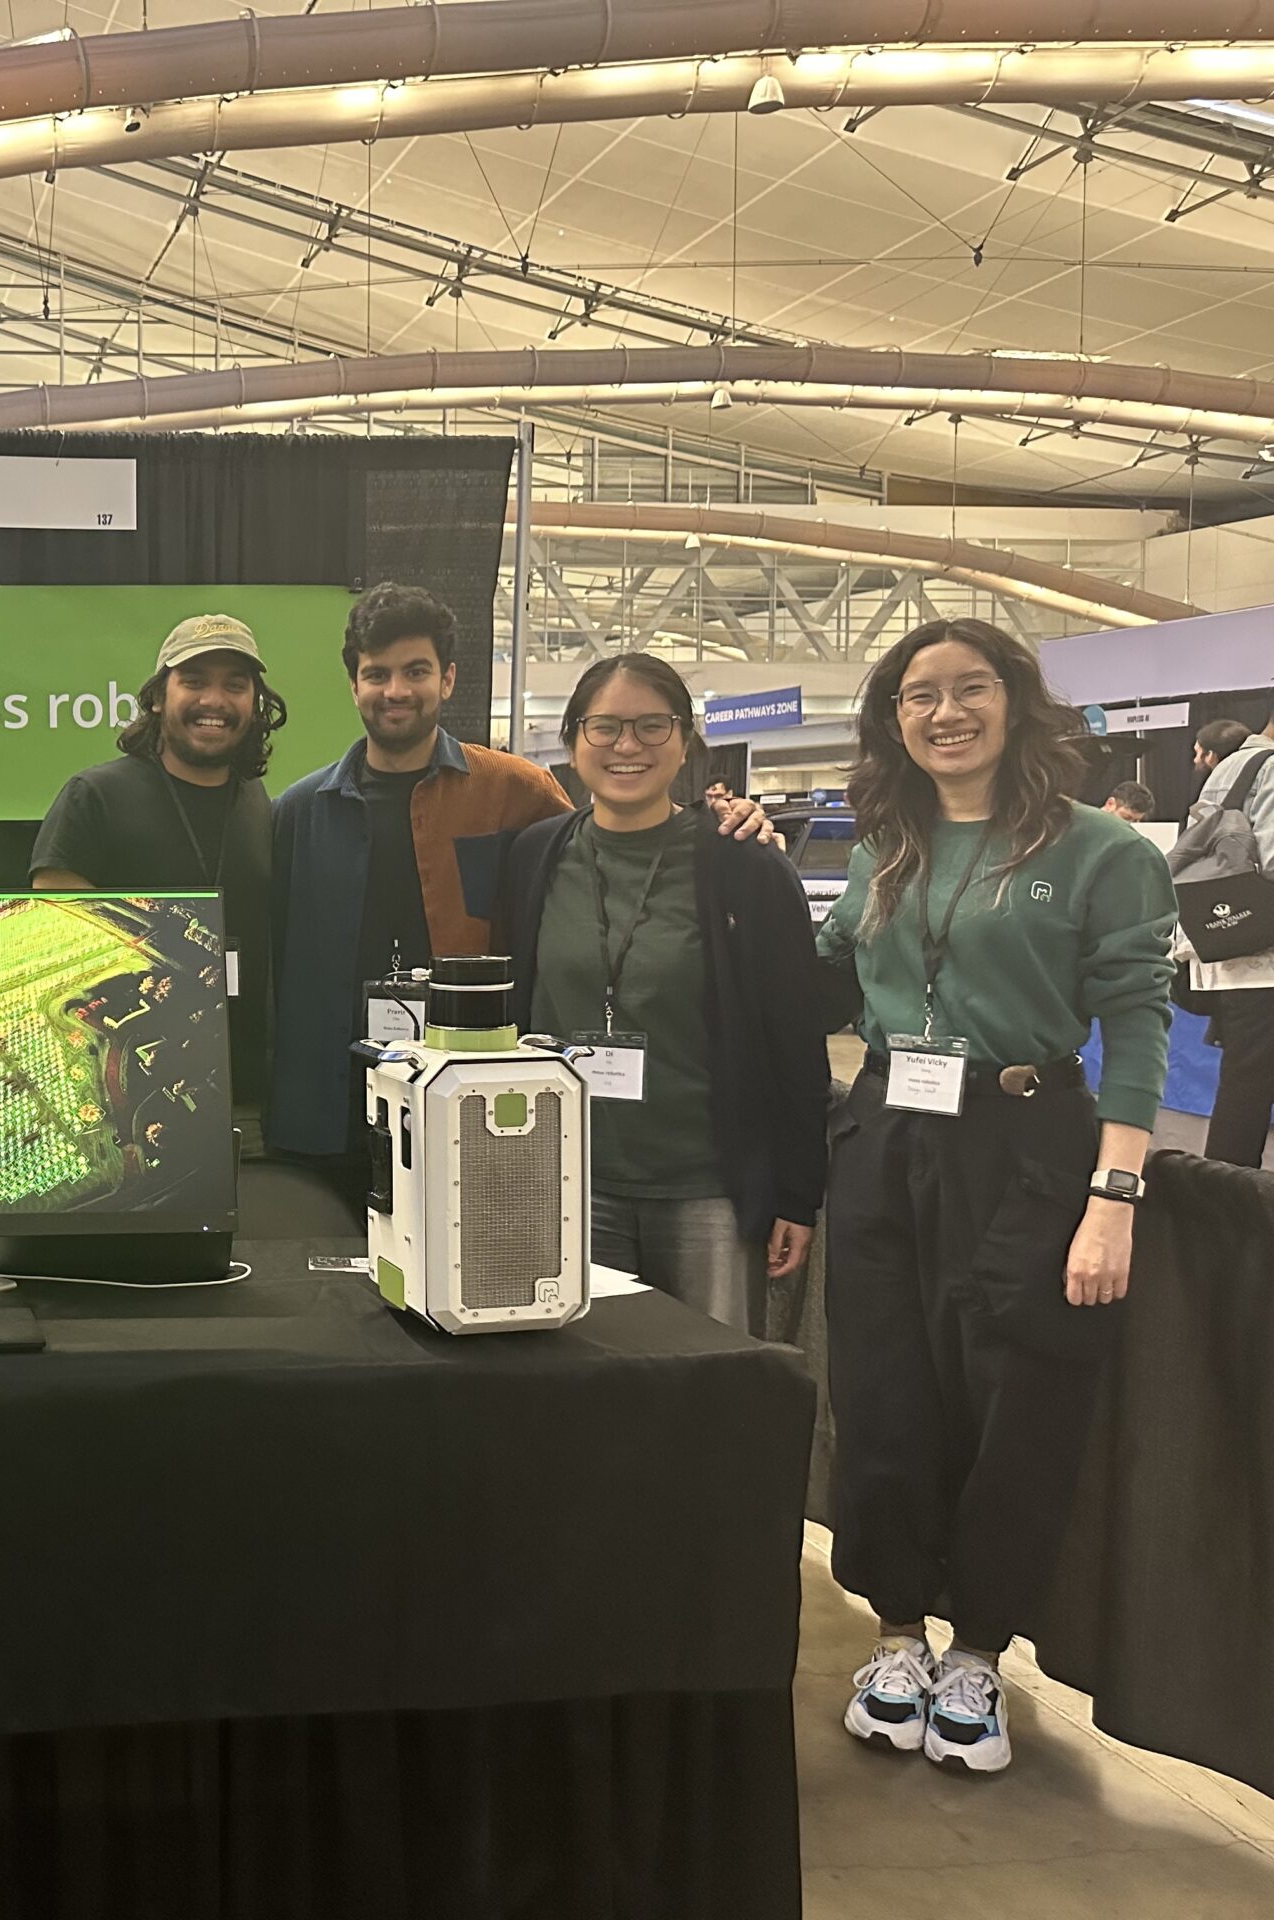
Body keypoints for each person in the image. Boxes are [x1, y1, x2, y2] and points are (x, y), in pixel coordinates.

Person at [818, 618, 1172, 1777]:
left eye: (968, 689)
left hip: (1027, 1142)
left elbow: (1135, 1023)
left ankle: (977, 1651)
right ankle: (896, 1635)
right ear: (893, 719)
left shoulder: (1099, 851)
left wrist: (1111, 1191)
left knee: (1013, 1401)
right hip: (886, 1134)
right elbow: (826, 974)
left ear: (1016, 704)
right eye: (918, 695)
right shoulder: (884, 847)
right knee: (882, 1386)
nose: (943, 712)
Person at [266, 583, 776, 1169]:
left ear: (449, 678)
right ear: (354, 684)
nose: (397, 691)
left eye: (416, 671)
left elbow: (609, 849)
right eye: (377, 674)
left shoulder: (515, 792)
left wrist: (727, 821)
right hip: (328, 1109)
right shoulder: (300, 812)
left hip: (470, 1105)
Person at [496, 654, 830, 1336]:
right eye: (606, 726)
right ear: (570, 742)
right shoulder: (535, 857)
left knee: (708, 1390)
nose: (628, 746)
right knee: (580, 1388)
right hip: (567, 1182)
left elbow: (795, 1037)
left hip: (704, 1189)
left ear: (684, 744)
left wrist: (799, 1192)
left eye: (653, 726)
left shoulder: (744, 864)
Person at [31, 613, 285, 1098]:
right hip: (130, 1095)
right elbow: (60, 955)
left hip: (248, 1096)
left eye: (234, 685)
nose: (214, 700)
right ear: (156, 696)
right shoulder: (94, 797)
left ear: (255, 705)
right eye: (193, 681)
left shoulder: (255, 801)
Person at [1181, 715, 1274, 1166]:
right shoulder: (1271, 767)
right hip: (1264, 954)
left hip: (1229, 942)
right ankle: (1230, 1209)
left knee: (1244, 1086)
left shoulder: (1230, 767)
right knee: (1248, 1089)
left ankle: (1224, 1207)